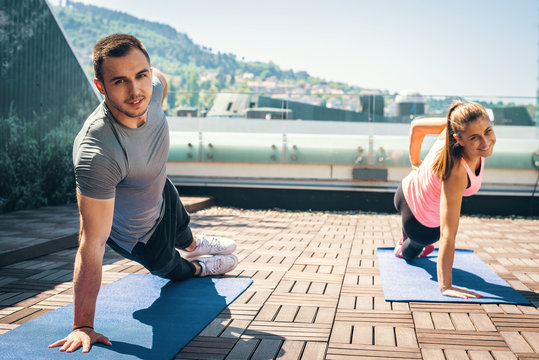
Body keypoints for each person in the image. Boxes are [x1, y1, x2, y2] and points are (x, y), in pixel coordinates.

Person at [49, 34, 238, 354]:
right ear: (100, 85)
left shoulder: (155, 89)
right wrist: (83, 325)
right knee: (175, 271)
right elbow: (90, 242)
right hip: (138, 236)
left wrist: (149, 74)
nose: (136, 91)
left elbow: (157, 79)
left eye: (141, 75)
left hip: (161, 191)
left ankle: (194, 244)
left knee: (182, 228)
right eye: (120, 80)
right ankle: (198, 266)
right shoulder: (97, 152)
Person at [393, 101, 496, 299]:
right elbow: (448, 233)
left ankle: (405, 234)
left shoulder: (452, 127)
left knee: (417, 213)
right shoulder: (457, 172)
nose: (485, 142)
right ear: (459, 138)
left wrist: (415, 161)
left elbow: (416, 127)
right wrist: (446, 286)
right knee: (412, 250)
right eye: (475, 138)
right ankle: (403, 247)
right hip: (421, 227)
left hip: (405, 189)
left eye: (488, 131)